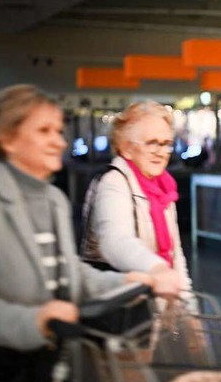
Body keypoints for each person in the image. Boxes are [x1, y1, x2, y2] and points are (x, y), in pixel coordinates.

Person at [0, 84, 183, 382]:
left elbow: (69, 271)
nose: (59, 141)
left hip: (52, 357)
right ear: (6, 138)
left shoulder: (53, 200)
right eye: (44, 130)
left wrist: (122, 281)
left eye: (59, 130)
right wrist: (32, 321)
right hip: (0, 369)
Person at [80, 100, 195, 298]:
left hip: (154, 302)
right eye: (151, 143)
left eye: (166, 144)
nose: (160, 152)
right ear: (126, 149)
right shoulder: (114, 182)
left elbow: (175, 255)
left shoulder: (163, 188)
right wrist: (158, 269)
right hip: (119, 305)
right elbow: (115, 241)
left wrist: (187, 303)